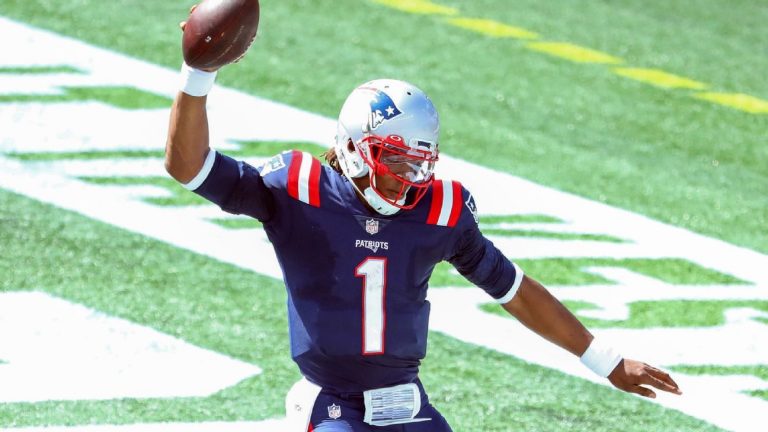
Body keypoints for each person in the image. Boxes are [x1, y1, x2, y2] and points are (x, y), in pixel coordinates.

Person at [165, 46, 682, 432]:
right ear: (353, 147)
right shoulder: (298, 189)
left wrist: (604, 359)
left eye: (419, 163)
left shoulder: (441, 211)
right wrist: (198, 75)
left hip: (407, 405)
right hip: (331, 406)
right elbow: (190, 167)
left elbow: (514, 289)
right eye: (394, 159)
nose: (407, 178)